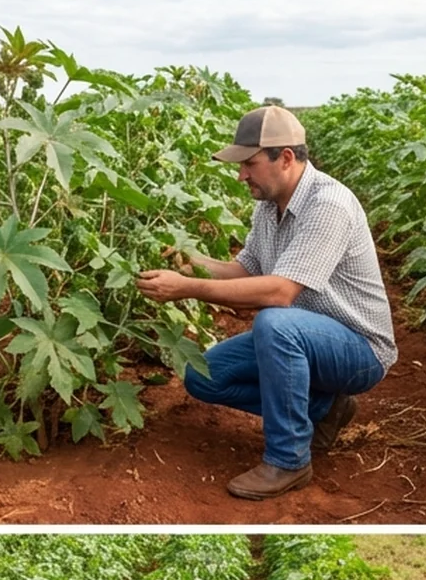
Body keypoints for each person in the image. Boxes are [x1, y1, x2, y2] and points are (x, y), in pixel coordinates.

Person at [135, 105, 394, 500]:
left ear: (285, 158)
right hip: (303, 336)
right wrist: (191, 262)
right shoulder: (267, 206)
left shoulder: (328, 205)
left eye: (249, 164)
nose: (241, 175)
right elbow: (245, 270)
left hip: (358, 351)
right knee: (203, 374)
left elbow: (277, 292)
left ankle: (289, 460)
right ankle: (324, 410)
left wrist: (186, 287)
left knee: (274, 321)